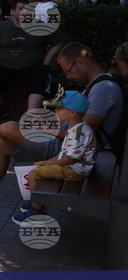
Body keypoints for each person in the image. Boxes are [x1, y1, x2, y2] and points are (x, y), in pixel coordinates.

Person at [0, 42, 123, 216]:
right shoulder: (97, 85)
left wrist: (47, 130)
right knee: (2, 143)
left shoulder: (103, 89)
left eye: (68, 71)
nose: (68, 76)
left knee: (8, 129)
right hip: (68, 145)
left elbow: (80, 135)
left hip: (72, 152)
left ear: (80, 63)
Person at [0, 0, 65, 122]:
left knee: (41, 75)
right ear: (13, 11)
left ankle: (30, 114)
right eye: (21, 9)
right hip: (5, 66)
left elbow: (59, 41)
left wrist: (47, 60)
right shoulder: (3, 27)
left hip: (32, 67)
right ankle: (0, 107)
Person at [16, 91, 98, 224]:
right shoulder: (75, 127)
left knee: (33, 174)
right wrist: (48, 162)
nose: (55, 110)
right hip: (71, 167)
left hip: (75, 171)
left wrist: (52, 165)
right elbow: (64, 153)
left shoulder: (78, 133)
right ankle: (37, 201)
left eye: (59, 108)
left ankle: (37, 213)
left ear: (72, 113)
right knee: (37, 165)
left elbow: (70, 159)